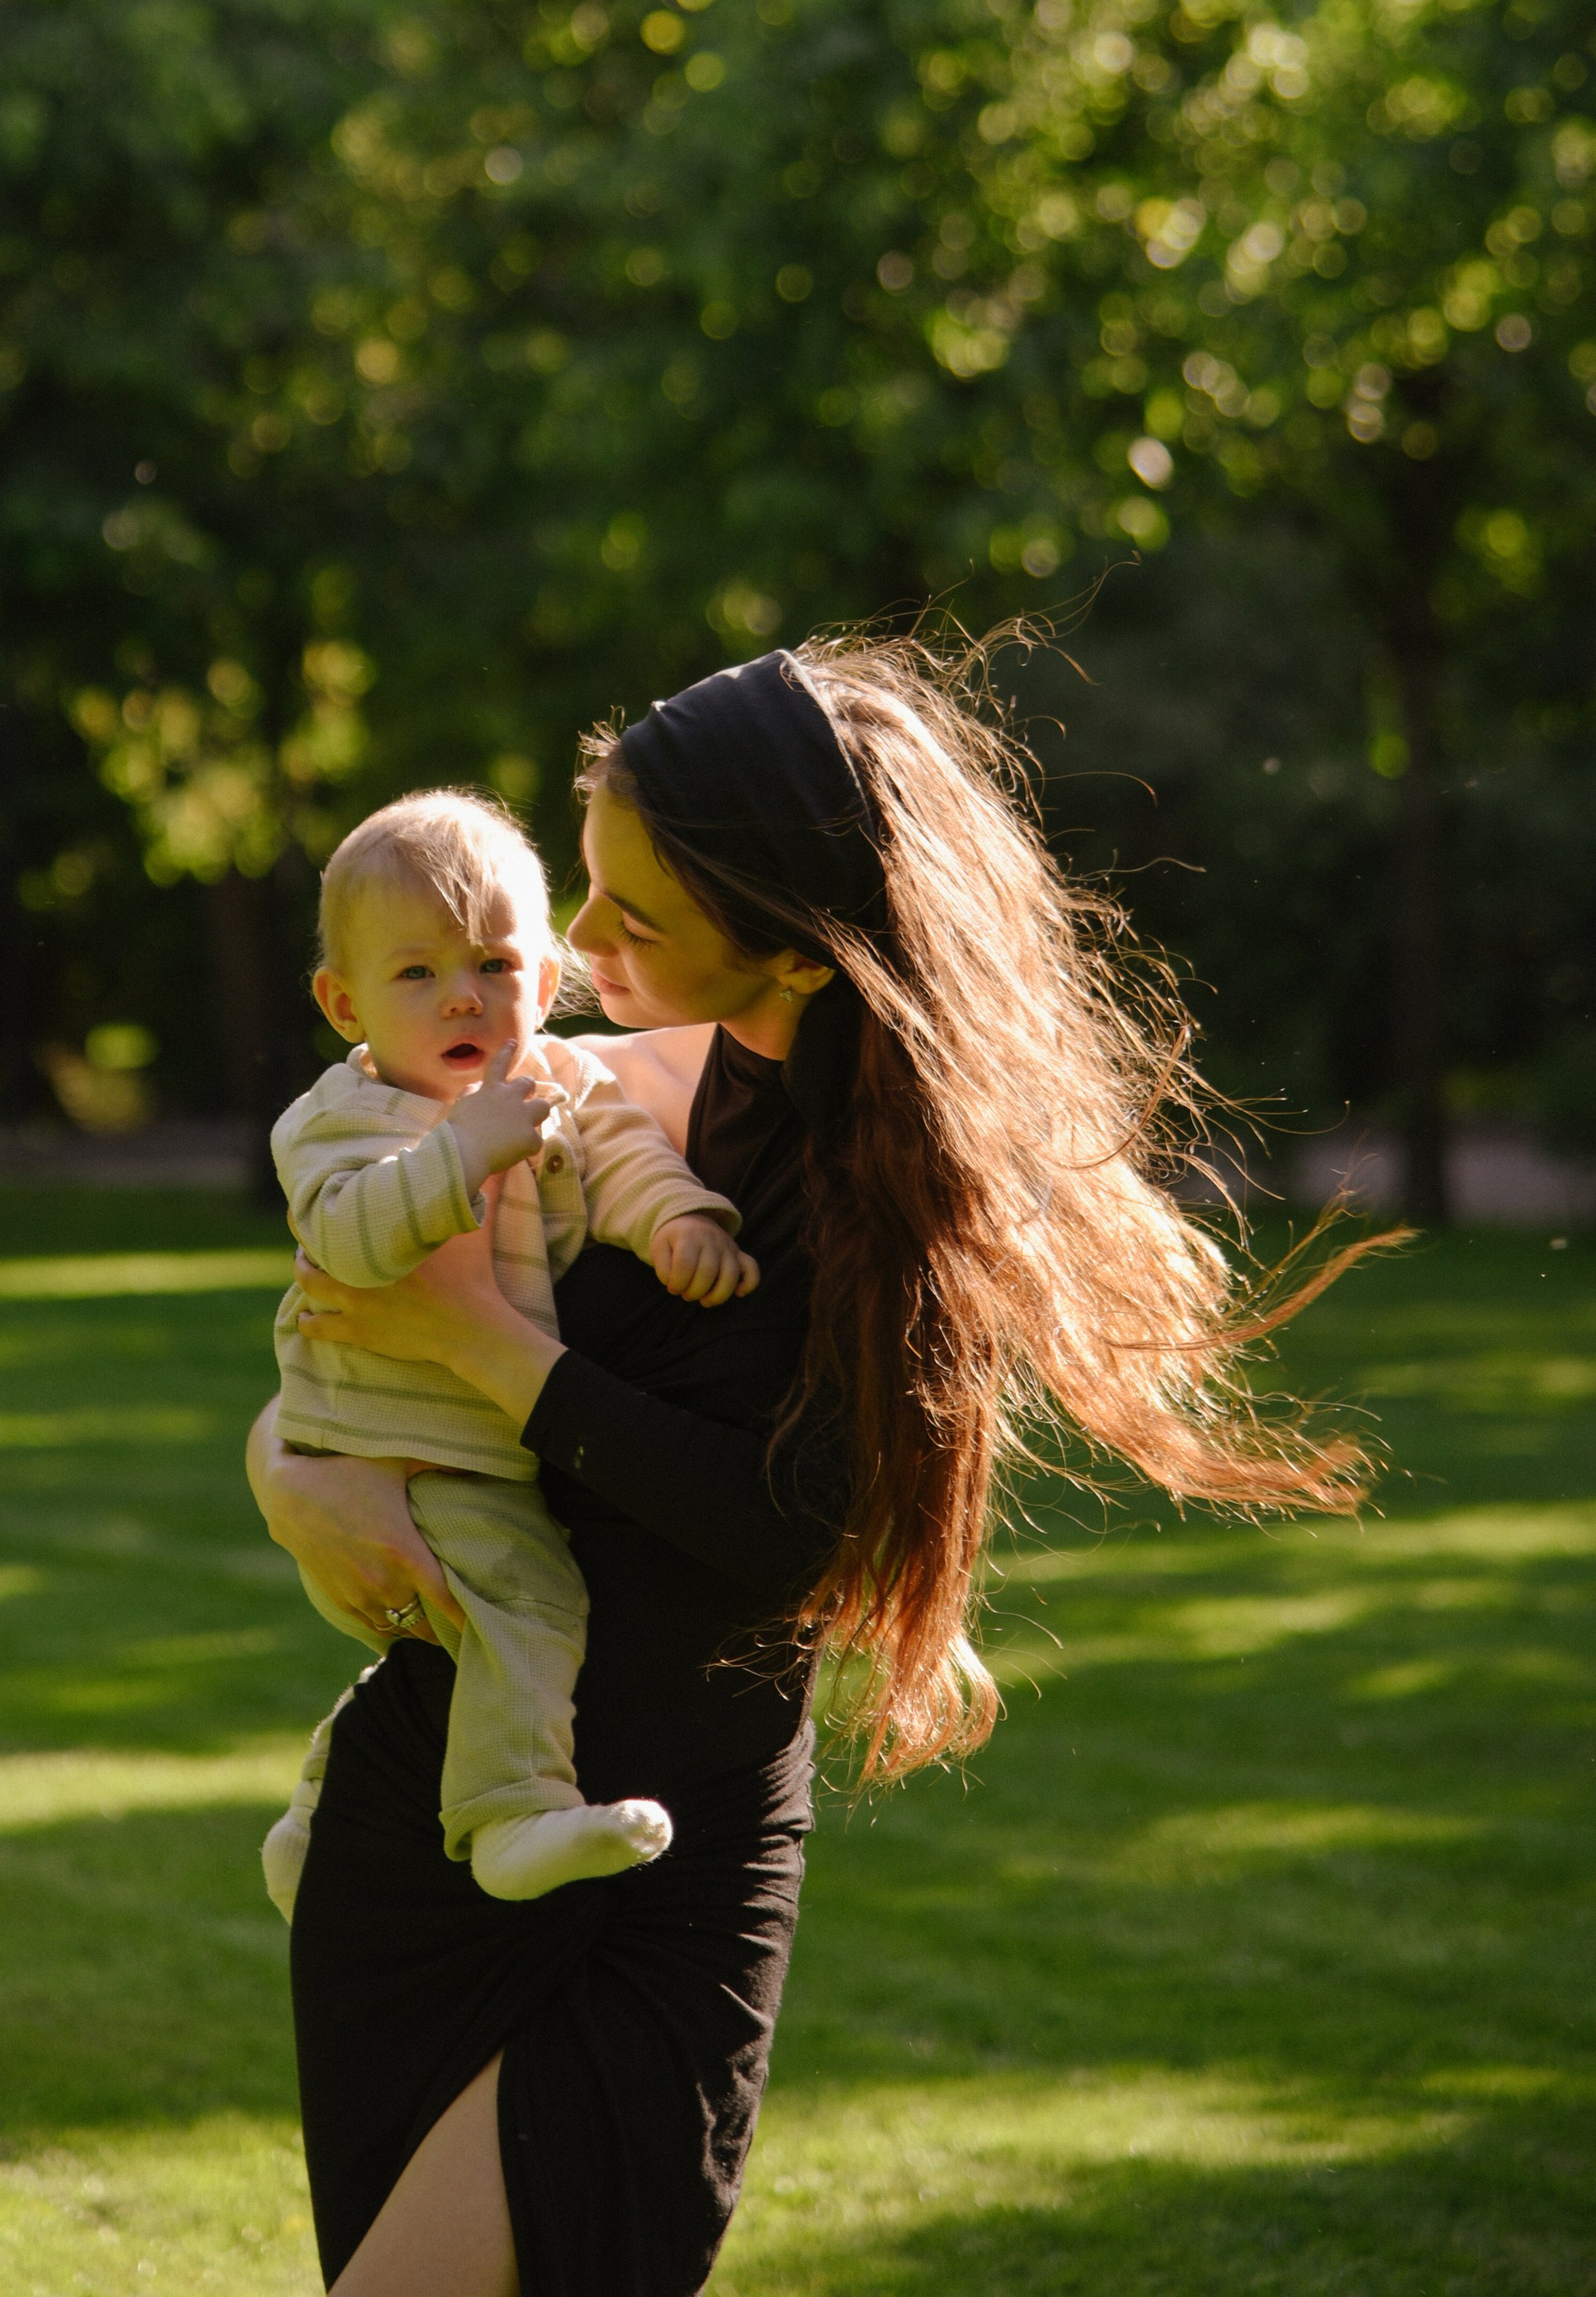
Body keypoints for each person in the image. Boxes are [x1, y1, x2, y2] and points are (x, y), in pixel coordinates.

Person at [248, 633, 1385, 2297]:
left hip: (662, 1854)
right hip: (431, 1824)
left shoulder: (880, 1198)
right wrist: (290, 1461)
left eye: (632, 920)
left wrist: (488, 1353)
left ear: (787, 950)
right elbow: (341, 1309)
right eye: (587, 893)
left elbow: (783, 1526)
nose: (571, 951)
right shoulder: (583, 1081)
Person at [262, 789, 756, 1918]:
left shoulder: (565, 1081)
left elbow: (622, 1150)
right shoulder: (346, 1114)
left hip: (466, 1430)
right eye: (417, 973)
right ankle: (511, 1813)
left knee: (459, 1635)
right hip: (388, 1433)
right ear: (345, 1002)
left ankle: (313, 1815)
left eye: (491, 962)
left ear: (542, 978)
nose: (462, 995)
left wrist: (678, 1221)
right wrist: (460, 1154)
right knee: (526, 1598)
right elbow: (347, 1234)